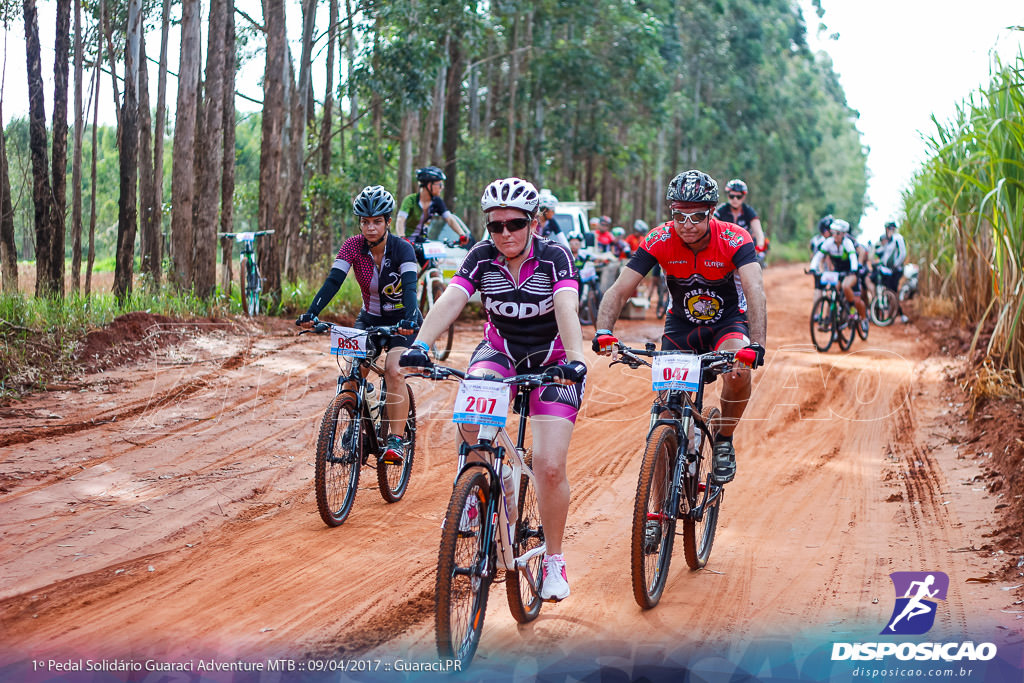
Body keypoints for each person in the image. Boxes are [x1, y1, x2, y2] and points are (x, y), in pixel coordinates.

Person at [399, 177, 586, 602]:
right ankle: (484, 483)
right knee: (471, 415)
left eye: (514, 224)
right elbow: (452, 298)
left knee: (549, 466)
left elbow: (566, 307)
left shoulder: (555, 256)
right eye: (495, 226)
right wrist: (420, 345)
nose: (504, 234)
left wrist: (576, 358)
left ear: (533, 221)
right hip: (500, 350)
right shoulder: (482, 256)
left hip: (553, 360)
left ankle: (553, 560)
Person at [593, 169, 766, 486]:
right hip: (681, 326)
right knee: (667, 415)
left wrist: (756, 344)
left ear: (712, 212)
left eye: (696, 217)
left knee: (738, 371)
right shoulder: (659, 239)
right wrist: (604, 331)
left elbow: (755, 291)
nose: (687, 225)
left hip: (726, 322)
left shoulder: (735, 238)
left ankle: (724, 438)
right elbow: (619, 289)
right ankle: (655, 514)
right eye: (679, 216)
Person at [297, 186, 421, 463]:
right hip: (370, 318)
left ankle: (395, 441)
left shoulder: (403, 249)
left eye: (377, 221)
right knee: (354, 372)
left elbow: (410, 289)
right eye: (365, 222)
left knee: (393, 369)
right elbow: (333, 282)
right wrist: (311, 313)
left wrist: (410, 319)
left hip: (403, 321)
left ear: (388, 222)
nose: (370, 227)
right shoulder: (353, 246)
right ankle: (357, 423)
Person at [809, 218, 869, 336]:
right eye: (833, 232)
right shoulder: (829, 242)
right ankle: (832, 323)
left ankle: (862, 317)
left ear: (843, 234)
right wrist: (813, 268)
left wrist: (854, 269)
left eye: (838, 233)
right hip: (837, 272)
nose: (835, 235)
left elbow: (852, 257)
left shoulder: (847, 242)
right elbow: (819, 256)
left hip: (850, 271)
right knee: (833, 292)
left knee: (848, 288)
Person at [395, 166, 470, 245]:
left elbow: (450, 219)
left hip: (421, 241)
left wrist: (462, 234)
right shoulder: (410, 200)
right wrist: (402, 238)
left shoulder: (437, 201)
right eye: (439, 184)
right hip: (407, 242)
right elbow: (400, 220)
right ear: (429, 185)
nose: (442, 187)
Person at [715, 179, 767, 262]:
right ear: (728, 196)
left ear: (744, 197)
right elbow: (711, 225)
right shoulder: (721, 210)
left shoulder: (748, 211)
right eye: (732, 196)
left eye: (738, 197)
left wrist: (760, 246)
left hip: (744, 248)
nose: (735, 199)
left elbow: (758, 231)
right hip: (724, 248)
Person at [877, 221, 909, 323]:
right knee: (889, 291)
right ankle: (892, 315)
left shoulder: (897, 238)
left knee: (893, 292)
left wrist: (896, 265)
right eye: (888, 228)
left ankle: (899, 314)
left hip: (895, 270)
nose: (889, 230)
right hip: (888, 271)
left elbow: (903, 253)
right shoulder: (889, 241)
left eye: (891, 228)